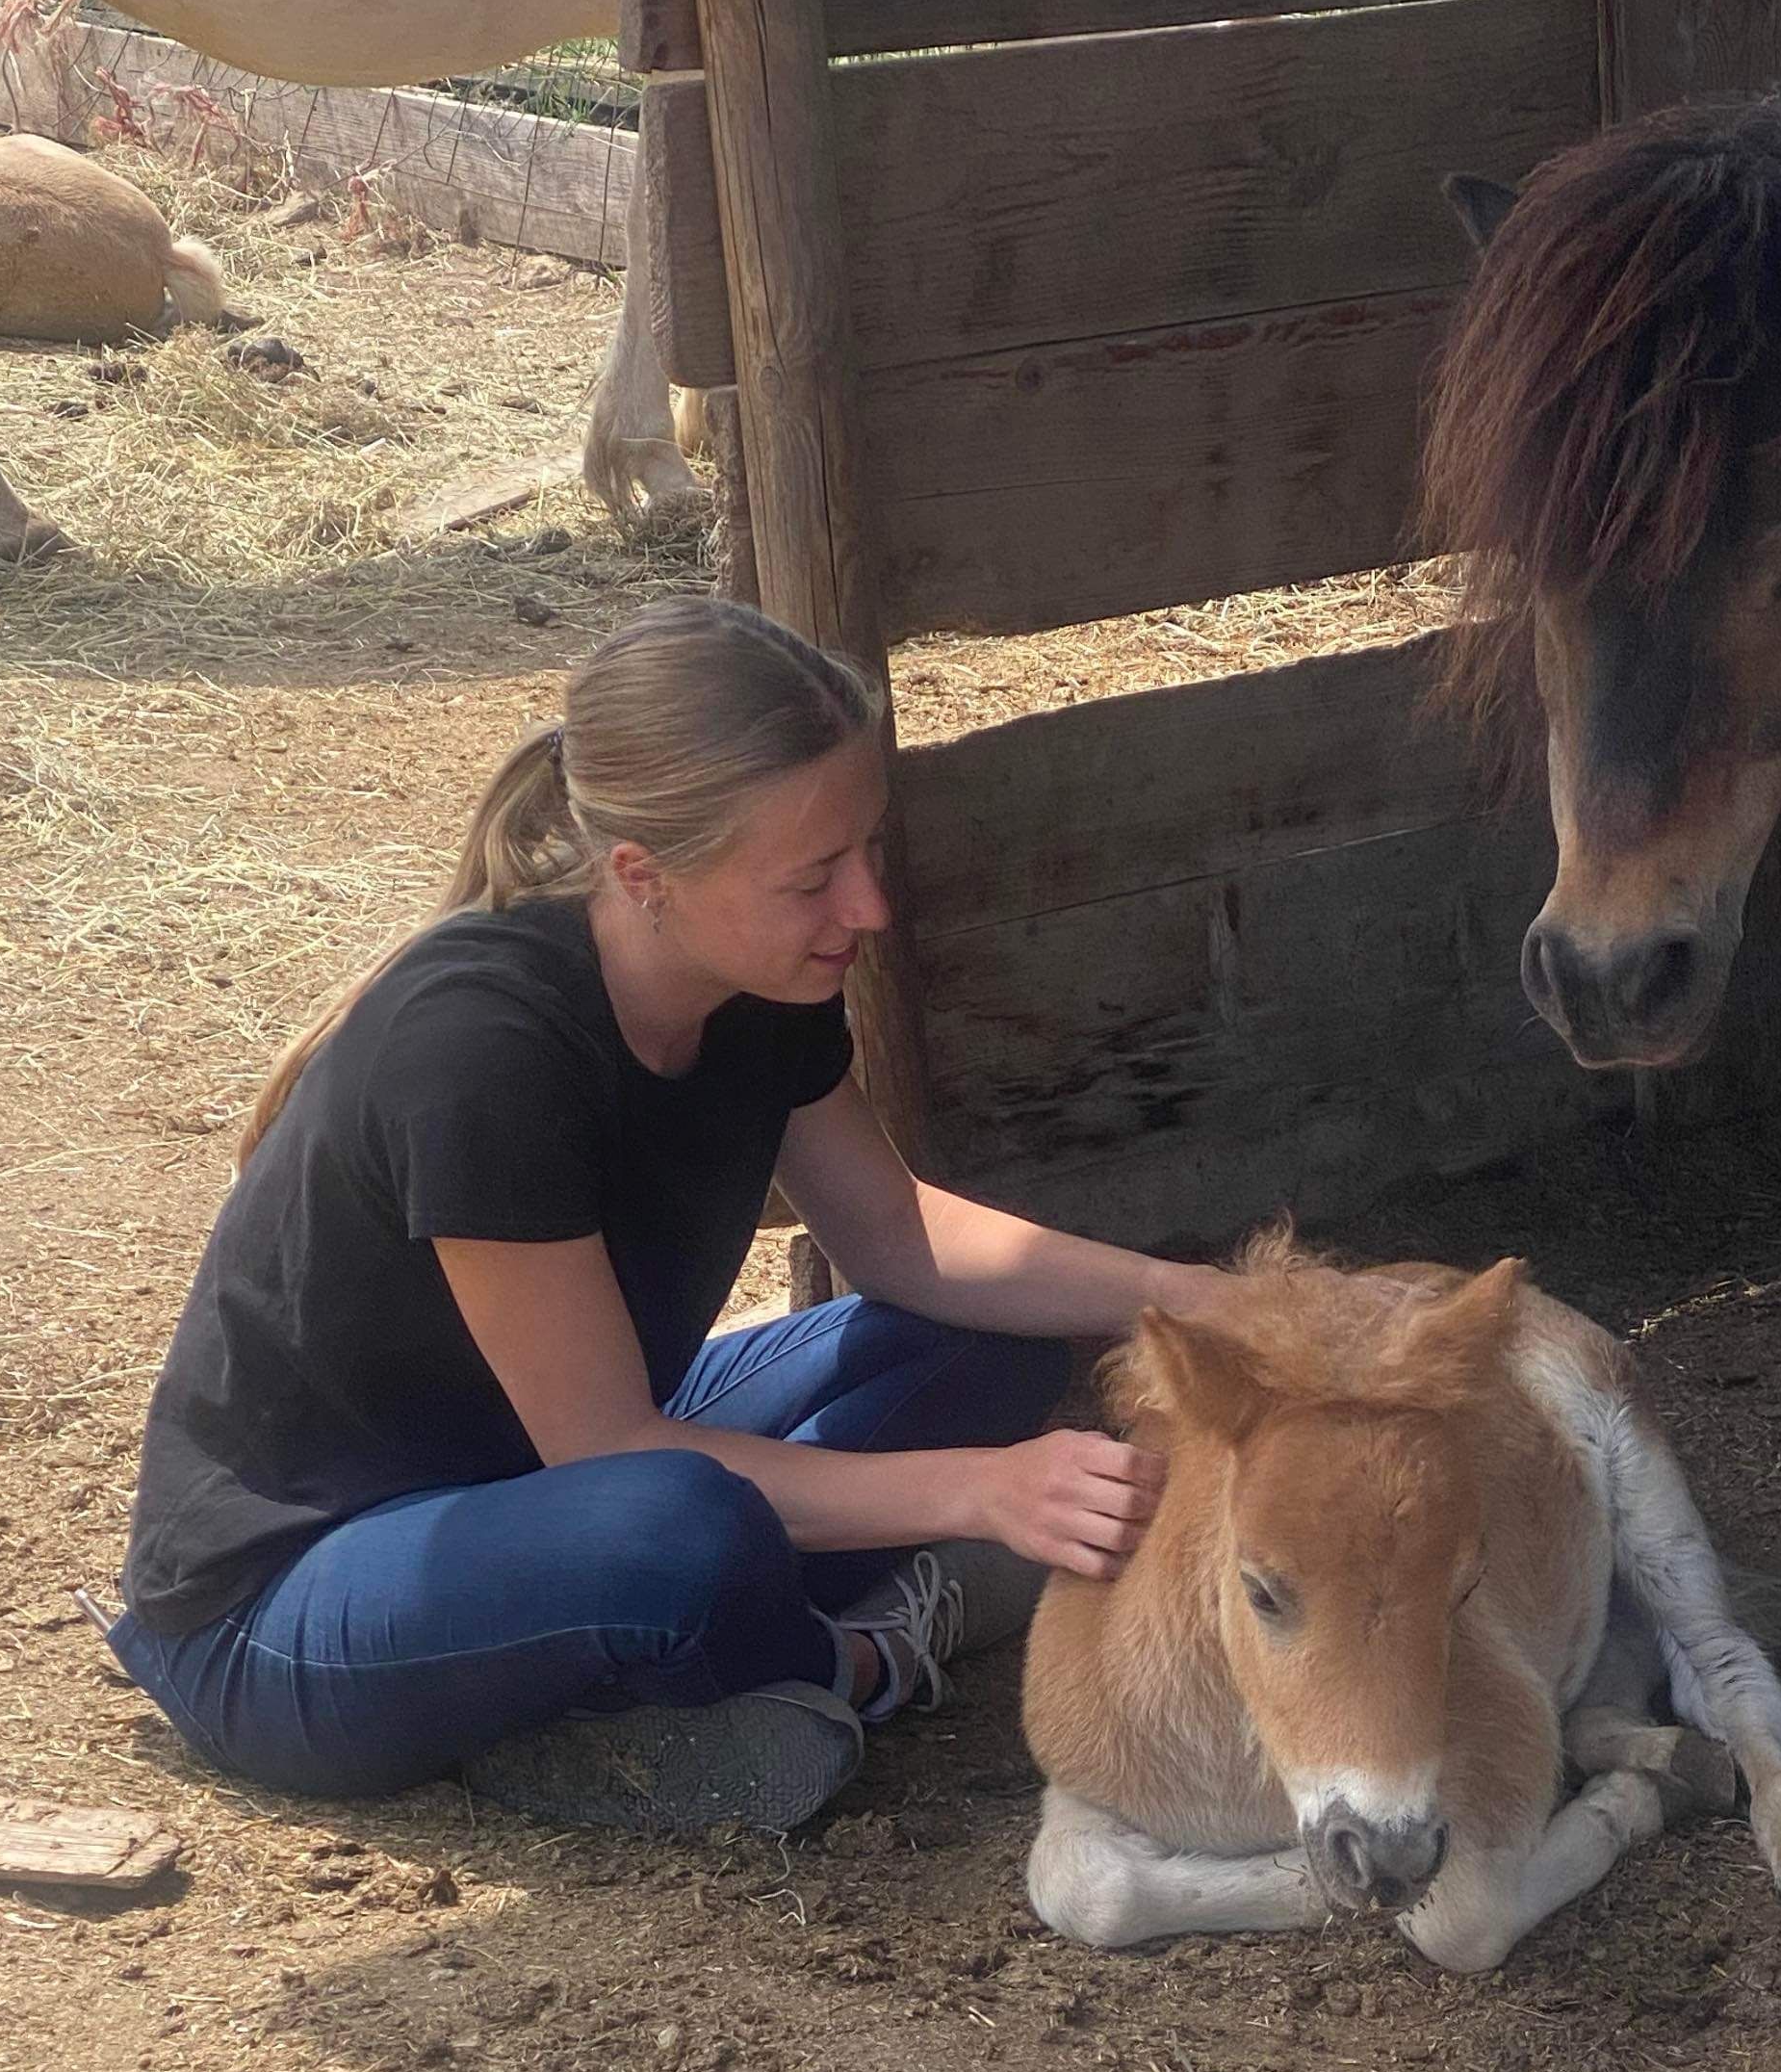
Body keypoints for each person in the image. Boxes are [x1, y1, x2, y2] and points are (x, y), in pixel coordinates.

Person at [107, 596, 1212, 1836]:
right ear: (644, 876)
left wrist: (1227, 1301)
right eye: (812, 878)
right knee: (675, 1527)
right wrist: (977, 1495)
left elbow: (904, 1245)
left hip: (548, 1481)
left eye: (866, 852)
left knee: (988, 1341)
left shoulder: (762, 978)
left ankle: (645, 1681)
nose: (869, 909)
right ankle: (843, 1664)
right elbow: (606, 1451)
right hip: (284, 1607)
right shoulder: (483, 1049)